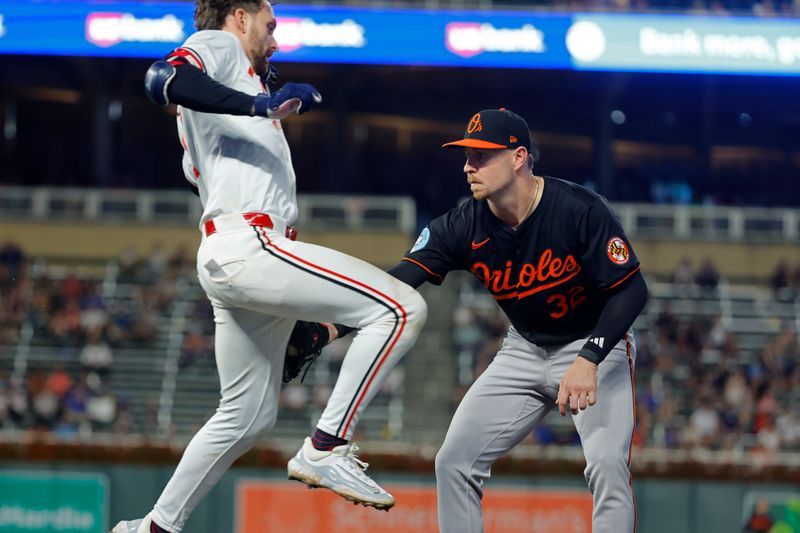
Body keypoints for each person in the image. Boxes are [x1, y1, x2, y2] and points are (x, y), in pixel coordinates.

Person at [111, 1, 427, 532]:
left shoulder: (233, 86)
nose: (275, 40)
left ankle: (153, 527)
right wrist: (261, 106)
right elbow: (161, 78)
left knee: (247, 416)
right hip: (250, 244)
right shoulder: (222, 45)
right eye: (270, 25)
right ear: (239, 15)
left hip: (233, 254)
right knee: (402, 309)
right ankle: (327, 446)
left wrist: (257, 102)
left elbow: (200, 138)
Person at [298, 108, 648, 532]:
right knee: (454, 462)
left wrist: (590, 359)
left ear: (518, 157)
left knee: (608, 465)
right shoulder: (463, 225)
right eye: (466, 155)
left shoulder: (579, 209)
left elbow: (631, 289)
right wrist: (330, 329)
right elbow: (396, 285)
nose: (468, 166)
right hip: (525, 348)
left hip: (593, 342)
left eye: (481, 155)